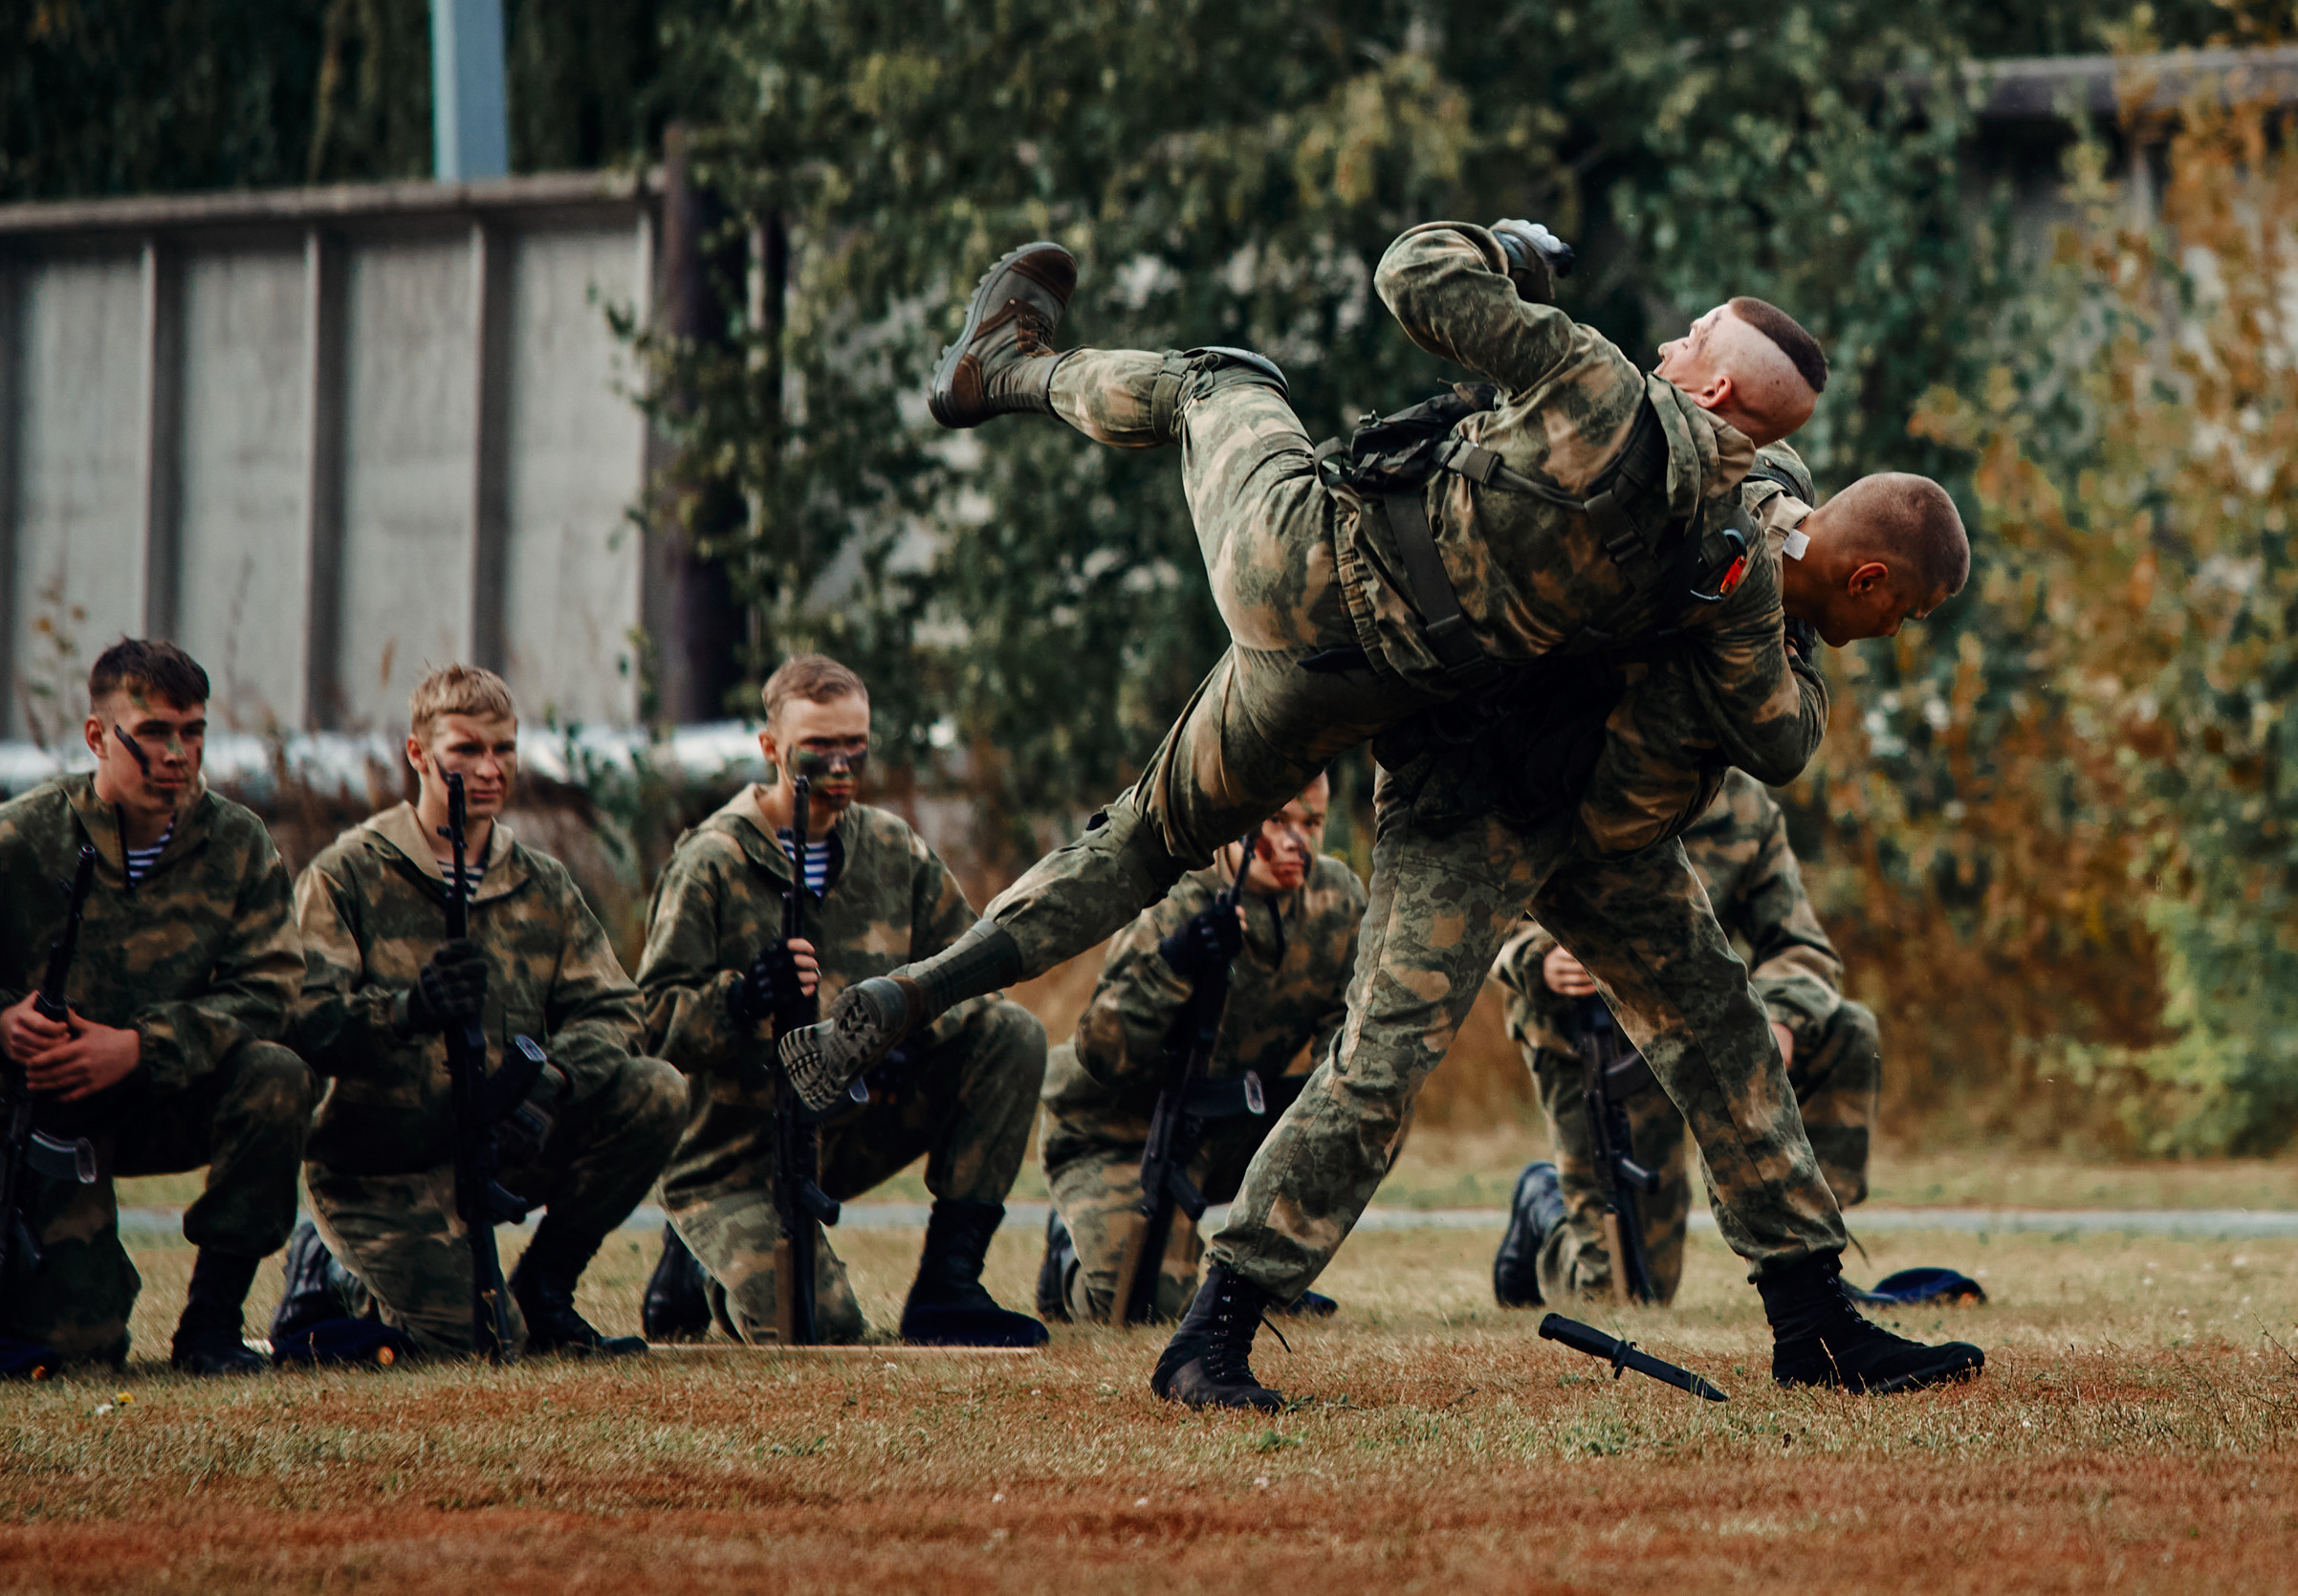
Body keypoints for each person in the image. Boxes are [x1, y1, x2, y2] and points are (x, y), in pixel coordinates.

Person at [783, 221, 1981, 1407]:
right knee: (1369, 1052)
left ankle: (1813, 1319)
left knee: (1711, 1025)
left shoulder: (1708, 497)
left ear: (1714, 385)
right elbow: (1775, 711)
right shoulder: (1694, 492)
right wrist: (1751, 574)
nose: (1667, 339)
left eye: (1692, 336)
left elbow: (1422, 272)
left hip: (1536, 784)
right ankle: (1215, 1328)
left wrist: (1506, 250)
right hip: (1440, 752)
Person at [0, 640, 311, 1372]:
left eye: (194, 733)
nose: (179, 755)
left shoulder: (239, 844)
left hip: (152, 1089)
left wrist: (139, 1046)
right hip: (26, 1103)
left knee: (274, 1074)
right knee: (66, 1351)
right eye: (155, 733)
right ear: (98, 736)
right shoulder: (12, 839)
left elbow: (272, 988)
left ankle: (212, 1324)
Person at [633, 655, 1048, 1346]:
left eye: (855, 743)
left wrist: (908, 1025)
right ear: (770, 747)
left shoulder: (892, 847)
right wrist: (740, 1000)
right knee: (818, 1326)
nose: (840, 762)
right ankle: (699, 1251)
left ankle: (949, 1284)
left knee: (1009, 1032)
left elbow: (971, 972)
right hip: (736, 1151)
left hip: (851, 1124)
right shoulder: (711, 860)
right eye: (819, 745)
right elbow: (650, 1021)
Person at [275, 665, 684, 1358]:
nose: (490, 768)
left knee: (655, 1091)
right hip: (381, 1165)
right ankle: (331, 1269)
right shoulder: (348, 874)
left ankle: (546, 1289)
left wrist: (547, 1084)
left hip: (501, 1141)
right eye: (467, 750)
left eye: (505, 749)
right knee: (474, 1343)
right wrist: (407, 1009)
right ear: (418, 755)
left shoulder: (540, 883)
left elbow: (616, 1010)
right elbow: (304, 1021)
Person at [1489, 768, 1878, 1308]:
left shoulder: (1742, 803)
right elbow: (1480, 905)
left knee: (1846, 1028)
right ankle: (1544, 1207)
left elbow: (1800, 947)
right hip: (1593, 1040)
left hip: (1700, 1031)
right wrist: (1538, 955)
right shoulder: (1569, 759)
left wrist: (1781, 1020)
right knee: (1625, 1296)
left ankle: (1814, 1263)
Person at [1035, 775, 1365, 1325]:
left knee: (1370, 1106)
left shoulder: (1337, 900)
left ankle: (1266, 1275)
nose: (1296, 842)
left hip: (1224, 1122)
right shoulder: (1173, 901)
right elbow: (1100, 1051)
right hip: (1118, 1131)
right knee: (1137, 1308)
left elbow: (1344, 1040)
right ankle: (1066, 1256)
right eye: (1278, 821)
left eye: (1312, 824)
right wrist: (1174, 964)